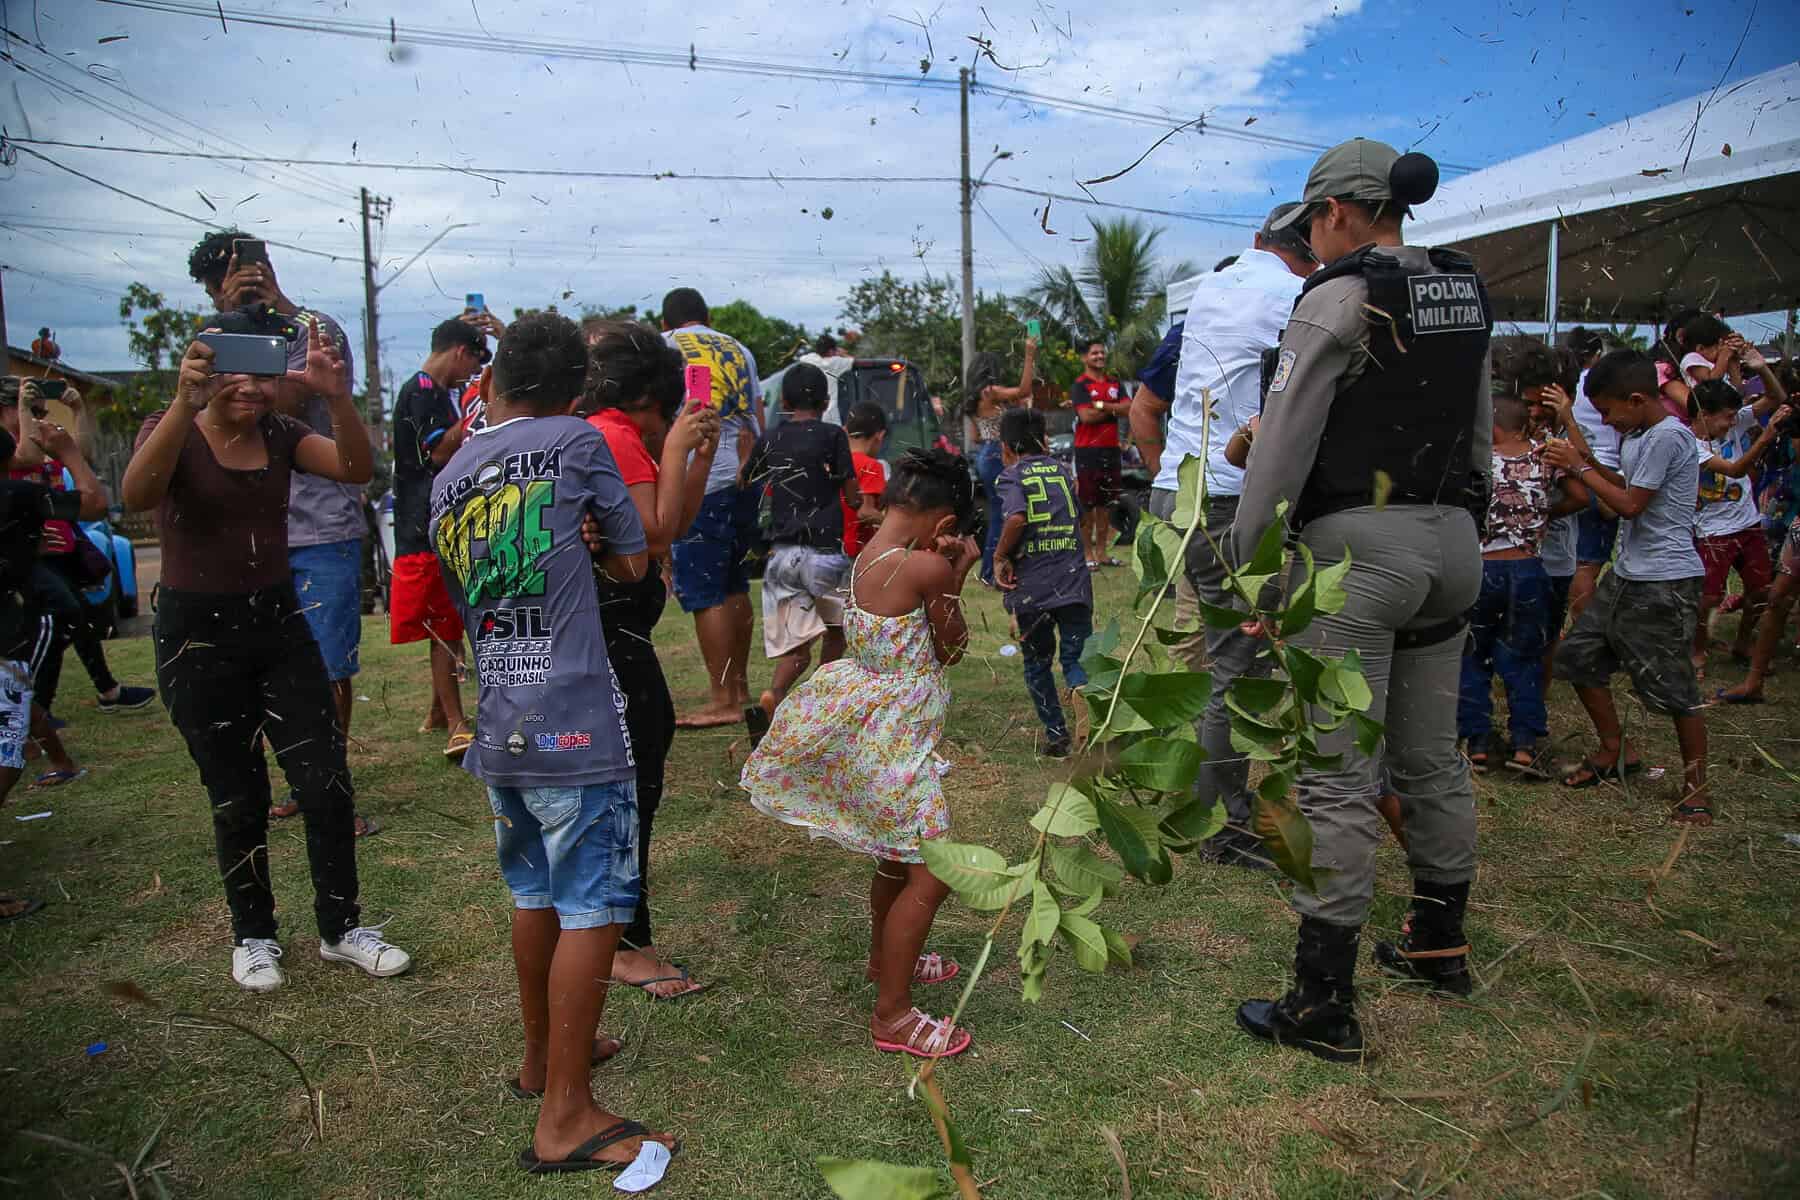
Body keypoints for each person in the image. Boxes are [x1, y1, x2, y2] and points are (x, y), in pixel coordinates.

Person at [1229, 139, 1489, 1062]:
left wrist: (1246, 557)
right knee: (1430, 757)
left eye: (1314, 224)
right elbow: (1477, 430)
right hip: (1453, 544)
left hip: (1359, 556)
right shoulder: (1462, 288)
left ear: (1337, 209)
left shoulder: (1338, 296)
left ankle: (1322, 1002)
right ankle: (1437, 943)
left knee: (1338, 777)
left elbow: (1282, 449)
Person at [429, 312, 678, 1176]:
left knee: (534, 890)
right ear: (577, 390)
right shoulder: (577, 442)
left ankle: (543, 1061)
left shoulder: (452, 471)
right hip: (577, 717)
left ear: (495, 384)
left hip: (500, 720)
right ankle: (567, 1115)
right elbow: (634, 561)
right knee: (594, 908)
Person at [122, 316, 410, 992]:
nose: (248, 387)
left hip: (279, 625)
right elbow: (136, 496)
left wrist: (337, 396)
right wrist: (183, 405)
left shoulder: (282, 435)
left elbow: (356, 469)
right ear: (200, 366)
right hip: (196, 634)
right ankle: (253, 935)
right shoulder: (175, 432)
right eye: (231, 370)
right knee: (236, 793)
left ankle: (342, 929)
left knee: (324, 782)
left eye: (262, 371)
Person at [741, 450, 979, 1058]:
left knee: (893, 857)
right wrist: (958, 574)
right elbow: (953, 649)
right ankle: (893, 1015)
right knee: (933, 870)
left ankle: (885, 958)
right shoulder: (926, 566)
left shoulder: (869, 550)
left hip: (874, 733)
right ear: (943, 520)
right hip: (896, 741)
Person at [1134, 202, 1316, 865]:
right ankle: (1224, 827)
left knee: (1217, 656)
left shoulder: (1213, 287)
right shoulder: (1298, 295)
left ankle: (1209, 794)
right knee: (1234, 668)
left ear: (1257, 239)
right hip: (1231, 496)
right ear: (1313, 250)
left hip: (1183, 489)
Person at [186, 231, 381, 830]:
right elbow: (208, 407)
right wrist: (229, 322)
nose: (230, 287)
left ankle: (326, 782)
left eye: (242, 273)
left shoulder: (316, 328)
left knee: (326, 666)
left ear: (266, 267)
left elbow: (282, 401)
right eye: (216, 285)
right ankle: (297, 778)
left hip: (323, 524)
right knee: (260, 667)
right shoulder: (212, 338)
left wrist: (271, 319)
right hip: (252, 528)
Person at [576, 319, 719, 1002]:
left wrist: (689, 461)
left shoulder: (620, 434)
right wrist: (675, 449)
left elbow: (672, 527)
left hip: (618, 633)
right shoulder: (617, 435)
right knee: (632, 785)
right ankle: (628, 945)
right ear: (650, 400)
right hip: (605, 634)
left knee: (643, 765)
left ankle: (618, 931)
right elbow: (653, 532)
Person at [1545, 350, 1710, 824]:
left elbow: (1630, 504)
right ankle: (1618, 749)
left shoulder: (1668, 437)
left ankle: (1698, 784)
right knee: (1577, 656)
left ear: (1636, 399)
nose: (1606, 421)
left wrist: (1578, 468)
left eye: (1607, 412)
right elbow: (1616, 480)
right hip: (1629, 573)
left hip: (1665, 579)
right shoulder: (1640, 435)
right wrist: (1575, 450)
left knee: (1674, 685)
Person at [1, 381, 155, 734]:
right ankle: (34, 708)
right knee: (57, 618)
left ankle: (105, 690)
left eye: (41, 411)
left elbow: (78, 454)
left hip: (56, 538)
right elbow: (27, 456)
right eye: (31, 410)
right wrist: (26, 410)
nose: (39, 418)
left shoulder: (32, 438)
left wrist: (77, 411)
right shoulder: (7, 446)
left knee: (77, 617)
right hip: (22, 550)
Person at [0, 411, 104, 912]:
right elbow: (94, 503)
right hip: (8, 632)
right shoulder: (17, 495)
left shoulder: (18, 493)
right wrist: (68, 454)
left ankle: (60, 759)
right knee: (6, 752)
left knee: (20, 711)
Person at [1457, 392, 1586, 777]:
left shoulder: (1475, 459)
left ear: (1491, 425)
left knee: (1473, 656)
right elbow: (1581, 496)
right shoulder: (1545, 454)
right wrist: (1542, 510)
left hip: (1481, 570)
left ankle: (1478, 742)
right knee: (1526, 659)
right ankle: (1525, 745)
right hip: (1529, 568)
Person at [661, 287, 763, 728]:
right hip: (743, 474)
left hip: (701, 477)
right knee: (734, 582)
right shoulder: (738, 348)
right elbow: (757, 413)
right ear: (707, 316)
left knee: (706, 592)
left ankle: (721, 699)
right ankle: (738, 688)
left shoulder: (667, 347)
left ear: (667, 323)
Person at [742, 363, 863, 722]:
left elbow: (743, 479)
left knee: (795, 651)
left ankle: (774, 695)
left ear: (784, 401)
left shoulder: (771, 438)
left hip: (782, 557)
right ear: (826, 402)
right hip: (825, 554)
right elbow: (854, 496)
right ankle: (820, 702)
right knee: (838, 634)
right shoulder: (833, 436)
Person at [392, 319, 489, 760]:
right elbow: (441, 450)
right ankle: (455, 722)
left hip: (431, 520)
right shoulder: (424, 391)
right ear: (459, 351)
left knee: (445, 621)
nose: (474, 372)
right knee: (444, 627)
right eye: (475, 360)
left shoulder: (433, 391)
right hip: (425, 524)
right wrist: (478, 409)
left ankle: (436, 711)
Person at [992, 408, 1091, 757]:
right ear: (1043, 440)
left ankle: (1056, 735)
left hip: (1033, 590)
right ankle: (1088, 727)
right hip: (1074, 582)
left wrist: (1001, 556)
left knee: (1037, 662)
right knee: (1077, 659)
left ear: (1006, 446)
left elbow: (1016, 518)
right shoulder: (1063, 472)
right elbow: (1076, 517)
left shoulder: (1011, 475)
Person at [1688, 377, 1791, 673]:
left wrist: (1759, 366)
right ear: (1703, 415)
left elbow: (1775, 396)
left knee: (1760, 590)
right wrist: (1766, 436)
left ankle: (1743, 643)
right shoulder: (1690, 444)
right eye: (1727, 417)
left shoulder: (1735, 422)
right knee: (1708, 596)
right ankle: (1697, 648)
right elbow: (1735, 469)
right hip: (1712, 531)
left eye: (1735, 416)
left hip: (1748, 524)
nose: (1732, 423)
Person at [964, 338, 1038, 585]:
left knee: (998, 514)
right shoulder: (990, 391)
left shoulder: (975, 398)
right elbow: (1024, 390)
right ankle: (991, 572)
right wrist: (1029, 355)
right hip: (998, 453)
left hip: (985, 454)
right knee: (1004, 515)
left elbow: (975, 436)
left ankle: (989, 571)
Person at [1070, 341, 1130, 569]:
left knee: (1106, 503)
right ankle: (1087, 555)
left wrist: (1100, 405)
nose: (1099, 356)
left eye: (1102, 352)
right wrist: (1112, 408)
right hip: (1087, 451)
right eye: (1094, 353)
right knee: (1087, 504)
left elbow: (1129, 408)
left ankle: (1102, 553)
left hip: (1111, 449)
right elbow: (1086, 416)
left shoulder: (1115, 383)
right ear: (1085, 358)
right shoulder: (1080, 385)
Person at [842, 402, 890, 557]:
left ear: (845, 430)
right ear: (880, 436)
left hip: (830, 549)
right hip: (856, 551)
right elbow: (865, 512)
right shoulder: (871, 466)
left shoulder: (834, 462)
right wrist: (891, 526)